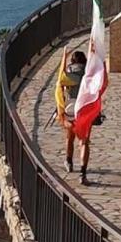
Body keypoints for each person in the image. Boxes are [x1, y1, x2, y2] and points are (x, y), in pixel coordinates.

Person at [55, 47, 88, 180]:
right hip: (85, 110)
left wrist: (63, 57)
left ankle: (69, 161)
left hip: (71, 109)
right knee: (84, 141)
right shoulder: (88, 75)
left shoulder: (70, 75)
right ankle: (83, 172)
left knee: (70, 137)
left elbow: (60, 79)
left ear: (72, 62)